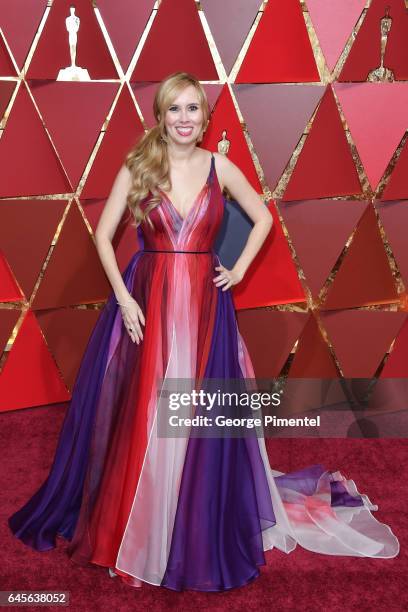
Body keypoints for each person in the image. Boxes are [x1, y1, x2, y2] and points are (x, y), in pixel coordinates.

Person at [8, 71, 399, 593]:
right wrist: (124, 300)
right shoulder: (139, 166)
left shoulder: (221, 166)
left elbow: (262, 220)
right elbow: (104, 237)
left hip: (204, 304)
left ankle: (187, 520)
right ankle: (139, 529)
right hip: (149, 298)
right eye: (175, 109)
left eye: (193, 109)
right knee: (147, 411)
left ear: (204, 116)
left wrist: (235, 271)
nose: (184, 119)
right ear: (161, 116)